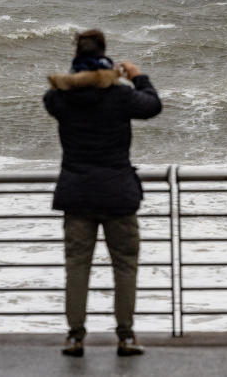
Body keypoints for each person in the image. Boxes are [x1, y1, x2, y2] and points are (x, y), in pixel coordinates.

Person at [43, 29, 162, 358]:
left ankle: (75, 337)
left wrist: (87, 75)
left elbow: (54, 94)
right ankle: (125, 336)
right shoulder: (121, 96)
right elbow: (153, 106)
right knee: (124, 266)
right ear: (105, 52)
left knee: (77, 267)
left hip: (77, 195)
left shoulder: (60, 98)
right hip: (117, 194)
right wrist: (136, 76)